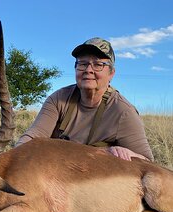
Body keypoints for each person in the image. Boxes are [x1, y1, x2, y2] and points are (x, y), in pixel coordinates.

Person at [16, 37, 154, 161]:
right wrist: (12, 158)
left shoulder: (123, 112)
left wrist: (129, 153)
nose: (88, 70)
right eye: (82, 63)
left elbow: (147, 160)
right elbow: (32, 137)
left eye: (98, 64)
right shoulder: (58, 99)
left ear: (111, 73)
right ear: (76, 68)